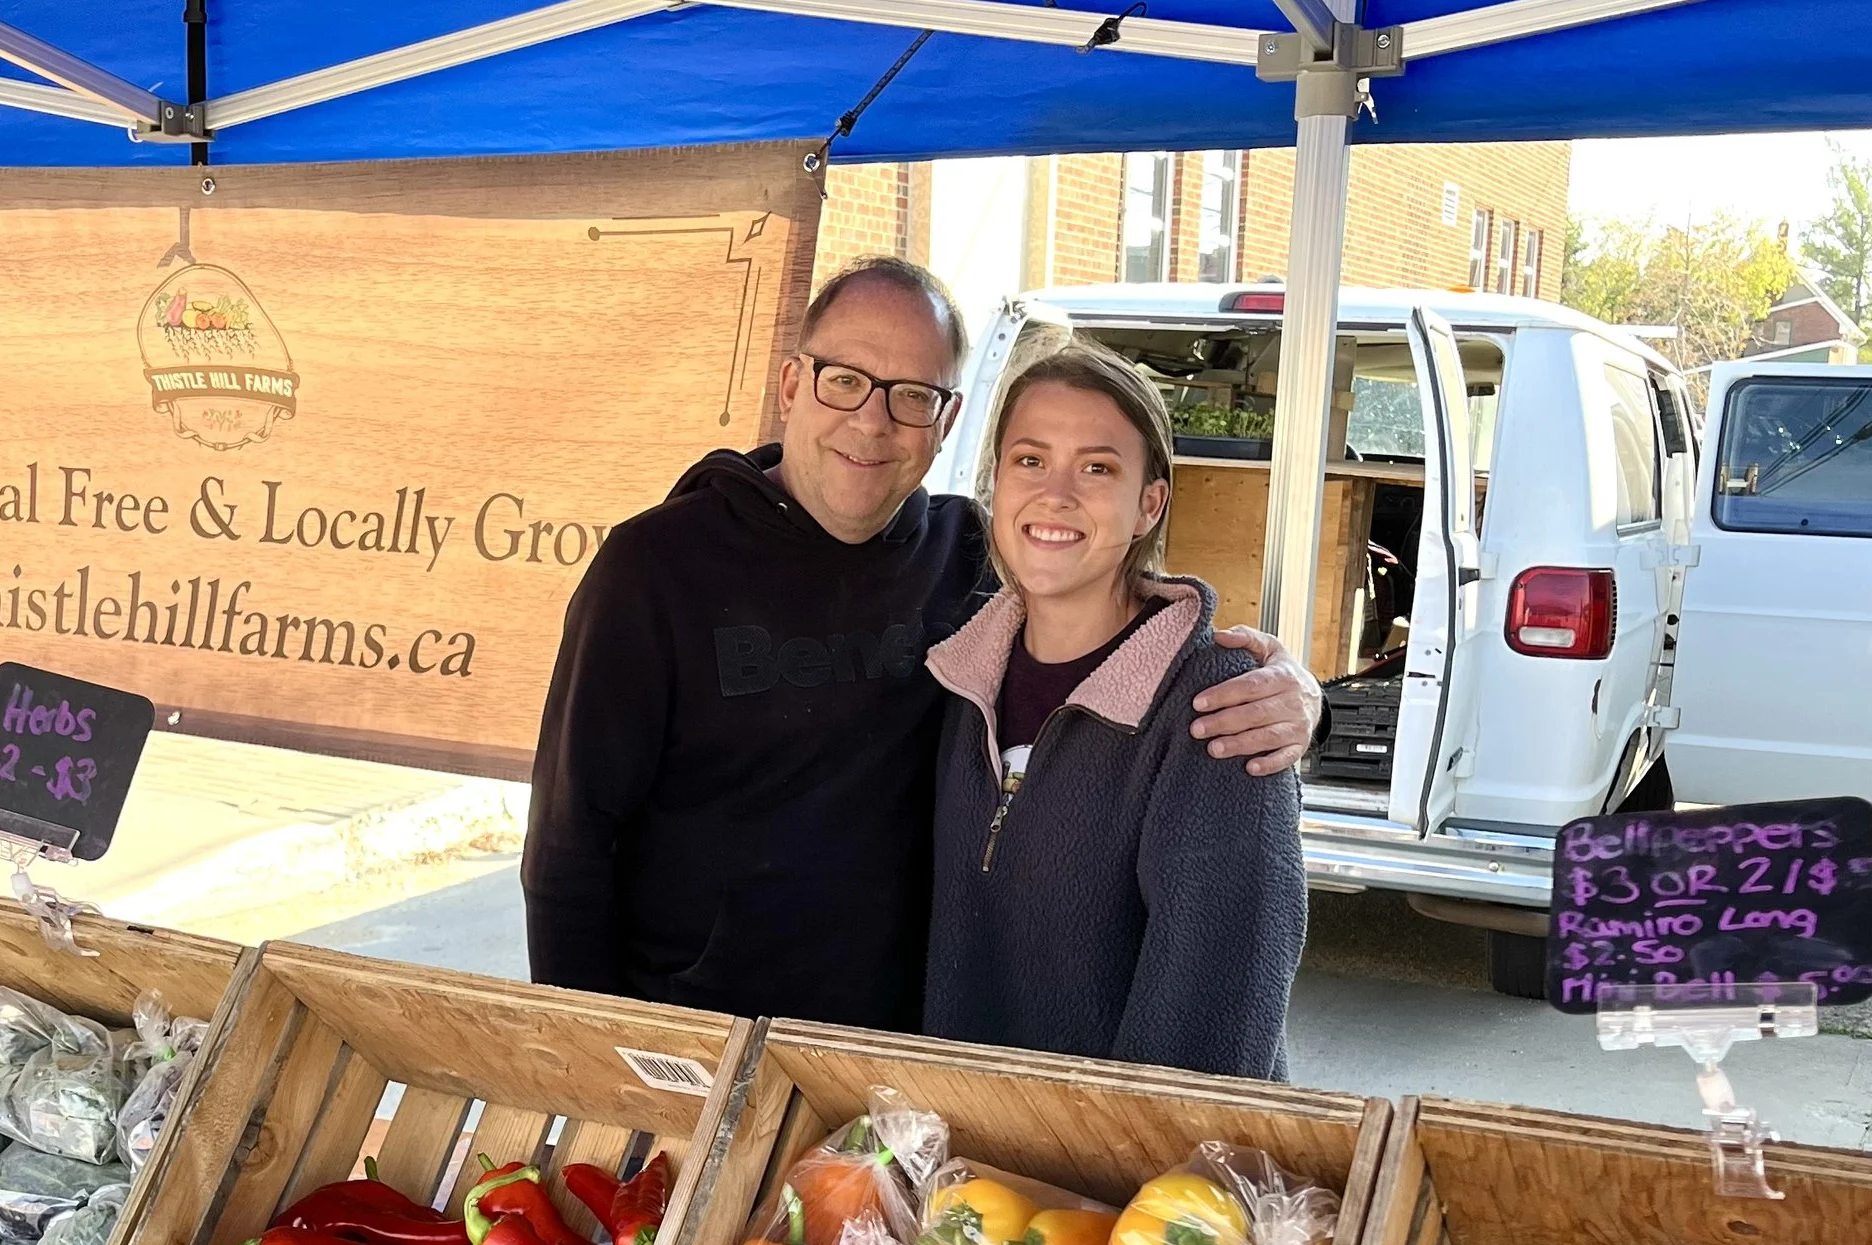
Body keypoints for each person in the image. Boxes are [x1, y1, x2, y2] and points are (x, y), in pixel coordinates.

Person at [522, 255, 1318, 1028]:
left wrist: (1291, 691)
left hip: (898, 1071)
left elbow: (1098, 589)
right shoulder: (654, 568)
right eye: (844, 380)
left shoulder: (966, 560)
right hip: (696, 1041)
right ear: (793, 383)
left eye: (911, 395)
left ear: (947, 421)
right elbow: (567, 850)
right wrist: (589, 1055)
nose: (871, 420)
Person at [924, 341, 1305, 1074]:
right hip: (962, 1157)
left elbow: (1218, 1023)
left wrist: (1133, 1183)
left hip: (1128, 1176)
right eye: (1030, 460)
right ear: (995, 482)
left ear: (1148, 504)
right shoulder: (956, 684)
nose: (1056, 494)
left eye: (1098, 467)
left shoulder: (1220, 708)